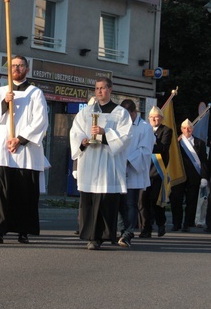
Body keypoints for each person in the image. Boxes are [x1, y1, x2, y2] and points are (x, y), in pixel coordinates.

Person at [0, 55, 48, 244]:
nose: (16, 68)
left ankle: (23, 230)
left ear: (27, 69)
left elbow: (41, 121)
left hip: (25, 151)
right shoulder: (0, 92)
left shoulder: (35, 93)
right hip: (3, 151)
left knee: (24, 193)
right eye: (13, 66)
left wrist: (20, 139)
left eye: (20, 65)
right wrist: (4, 104)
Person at [70, 78, 133, 250]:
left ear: (110, 90)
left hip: (108, 162)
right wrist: (81, 141)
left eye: (103, 88)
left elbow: (126, 137)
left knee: (105, 201)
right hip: (90, 161)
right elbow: (75, 131)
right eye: (97, 88)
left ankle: (102, 236)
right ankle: (91, 236)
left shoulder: (121, 113)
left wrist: (105, 134)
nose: (99, 91)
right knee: (89, 201)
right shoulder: (86, 112)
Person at [117, 99, 155, 247]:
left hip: (133, 170)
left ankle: (128, 232)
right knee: (120, 204)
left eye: (128, 116)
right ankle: (122, 230)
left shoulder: (145, 128)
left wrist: (128, 160)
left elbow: (145, 150)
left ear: (135, 112)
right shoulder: (120, 125)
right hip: (119, 169)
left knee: (130, 203)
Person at [138, 106, 172, 238]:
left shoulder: (166, 131)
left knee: (154, 201)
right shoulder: (144, 130)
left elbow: (162, 148)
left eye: (156, 116)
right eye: (151, 117)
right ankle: (146, 228)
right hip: (144, 169)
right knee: (142, 201)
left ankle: (160, 223)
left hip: (157, 170)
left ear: (161, 118)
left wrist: (152, 138)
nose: (153, 119)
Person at [170, 119, 208, 232]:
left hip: (194, 177)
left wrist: (204, 177)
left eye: (190, 127)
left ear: (193, 129)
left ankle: (187, 224)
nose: (187, 130)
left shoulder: (200, 143)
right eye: (185, 128)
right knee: (176, 200)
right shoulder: (176, 143)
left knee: (191, 202)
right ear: (181, 129)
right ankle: (176, 223)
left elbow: (204, 161)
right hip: (178, 176)